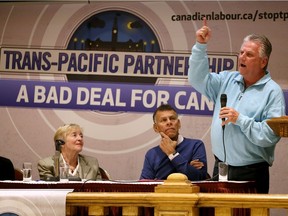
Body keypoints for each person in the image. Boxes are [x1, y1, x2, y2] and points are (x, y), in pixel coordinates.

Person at [188, 18, 286, 193]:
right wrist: (200, 46)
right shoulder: (227, 79)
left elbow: (270, 136)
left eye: (249, 55)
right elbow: (197, 79)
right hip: (221, 168)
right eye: (241, 52)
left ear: (263, 62)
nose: (242, 57)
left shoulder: (272, 91)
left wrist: (240, 120)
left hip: (251, 173)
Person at [140, 104, 208, 181]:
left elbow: (199, 178)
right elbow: (144, 184)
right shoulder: (152, 154)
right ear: (156, 128)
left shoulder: (196, 145)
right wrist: (187, 167)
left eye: (172, 119)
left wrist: (173, 154)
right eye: (164, 120)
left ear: (178, 124)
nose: (169, 122)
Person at [38, 123, 102, 181]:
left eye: (81, 136)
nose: (80, 138)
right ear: (60, 142)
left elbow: (100, 189)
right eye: (74, 135)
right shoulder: (47, 164)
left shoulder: (92, 163)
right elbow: (50, 190)